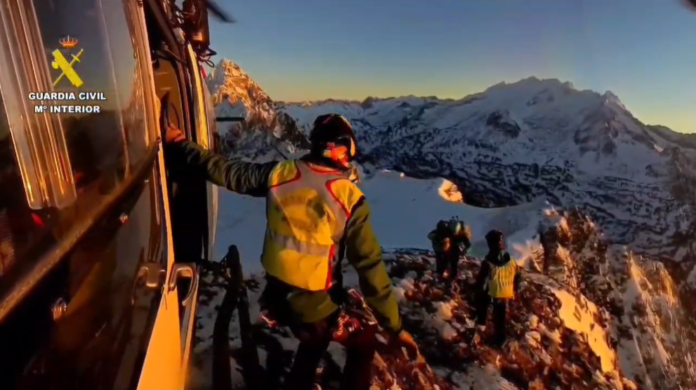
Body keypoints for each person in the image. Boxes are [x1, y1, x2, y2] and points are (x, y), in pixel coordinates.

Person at [164, 113, 418, 390]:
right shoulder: (349, 199)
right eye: (349, 150)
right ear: (340, 149)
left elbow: (225, 172)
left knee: (313, 339)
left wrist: (179, 143)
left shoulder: (280, 174)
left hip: (276, 297)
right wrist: (394, 328)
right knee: (364, 339)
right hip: (314, 306)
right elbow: (370, 268)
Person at [473, 229, 522, 347]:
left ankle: (482, 324)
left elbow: (482, 283)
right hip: (507, 293)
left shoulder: (488, 263)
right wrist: (515, 289)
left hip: (493, 293)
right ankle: (500, 340)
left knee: (483, 303)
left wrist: (476, 293)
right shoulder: (512, 261)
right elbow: (518, 276)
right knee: (500, 318)